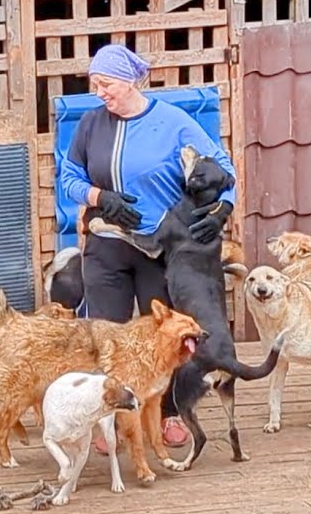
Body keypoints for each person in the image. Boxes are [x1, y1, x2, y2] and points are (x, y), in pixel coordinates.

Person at [58, 43, 237, 453]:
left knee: (163, 341)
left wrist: (224, 207)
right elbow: (67, 176)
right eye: (94, 84)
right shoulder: (89, 125)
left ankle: (168, 414)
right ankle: (107, 418)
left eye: (107, 84)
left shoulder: (174, 123)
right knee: (105, 335)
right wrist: (98, 197)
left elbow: (225, 169)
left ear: (131, 81)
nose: (100, 92)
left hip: (159, 250)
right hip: (106, 245)